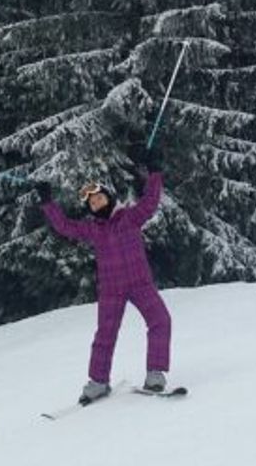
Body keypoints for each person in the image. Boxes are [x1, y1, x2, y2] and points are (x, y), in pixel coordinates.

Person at [32, 146, 172, 403]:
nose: (96, 204)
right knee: (105, 335)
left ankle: (155, 374)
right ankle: (98, 382)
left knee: (160, 320)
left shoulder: (130, 218)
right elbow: (64, 227)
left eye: (99, 198)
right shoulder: (93, 229)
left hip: (140, 283)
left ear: (108, 197)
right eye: (91, 203)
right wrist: (47, 202)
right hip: (111, 289)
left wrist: (154, 173)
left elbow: (150, 201)